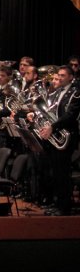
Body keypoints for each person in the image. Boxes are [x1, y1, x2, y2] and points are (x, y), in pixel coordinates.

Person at [35, 66, 79, 216]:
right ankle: (56, 203)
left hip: (67, 136)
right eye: (58, 75)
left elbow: (70, 115)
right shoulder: (56, 92)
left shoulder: (75, 93)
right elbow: (49, 111)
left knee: (62, 173)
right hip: (55, 135)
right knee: (54, 172)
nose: (58, 78)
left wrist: (52, 127)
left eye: (62, 76)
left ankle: (64, 206)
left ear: (71, 77)